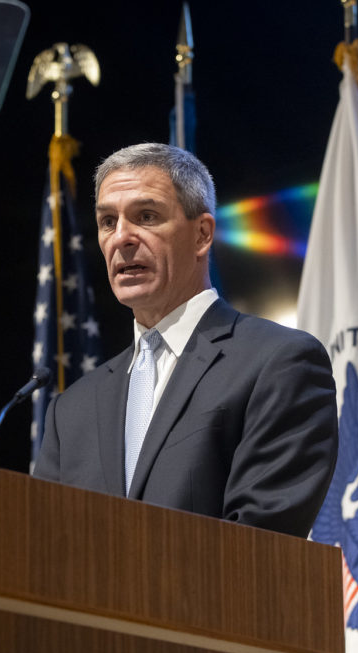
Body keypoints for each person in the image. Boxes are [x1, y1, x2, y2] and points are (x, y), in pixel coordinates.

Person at [32, 143, 338, 537]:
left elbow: (259, 544)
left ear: (202, 235)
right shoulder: (70, 412)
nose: (122, 238)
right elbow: (45, 548)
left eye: (146, 216)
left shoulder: (278, 362)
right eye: (108, 221)